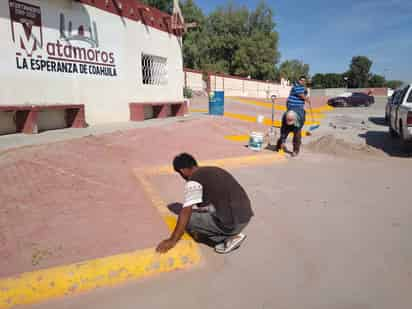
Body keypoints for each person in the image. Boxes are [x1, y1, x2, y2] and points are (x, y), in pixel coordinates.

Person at [156, 153, 254, 254]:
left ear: (182, 171)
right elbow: (204, 204)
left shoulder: (194, 181)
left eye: (179, 173)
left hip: (233, 224)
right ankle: (229, 233)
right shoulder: (214, 169)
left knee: (188, 221)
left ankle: (229, 237)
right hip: (245, 216)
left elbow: (185, 213)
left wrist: (172, 240)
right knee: (203, 215)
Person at [276, 75, 310, 156]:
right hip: (292, 110)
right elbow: (301, 95)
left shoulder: (303, 88)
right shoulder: (296, 87)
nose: (302, 82)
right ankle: (280, 145)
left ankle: (295, 150)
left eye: (304, 81)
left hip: (298, 111)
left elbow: (302, 95)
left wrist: (305, 96)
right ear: (299, 80)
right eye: (301, 80)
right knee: (284, 132)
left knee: (297, 134)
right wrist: (307, 99)